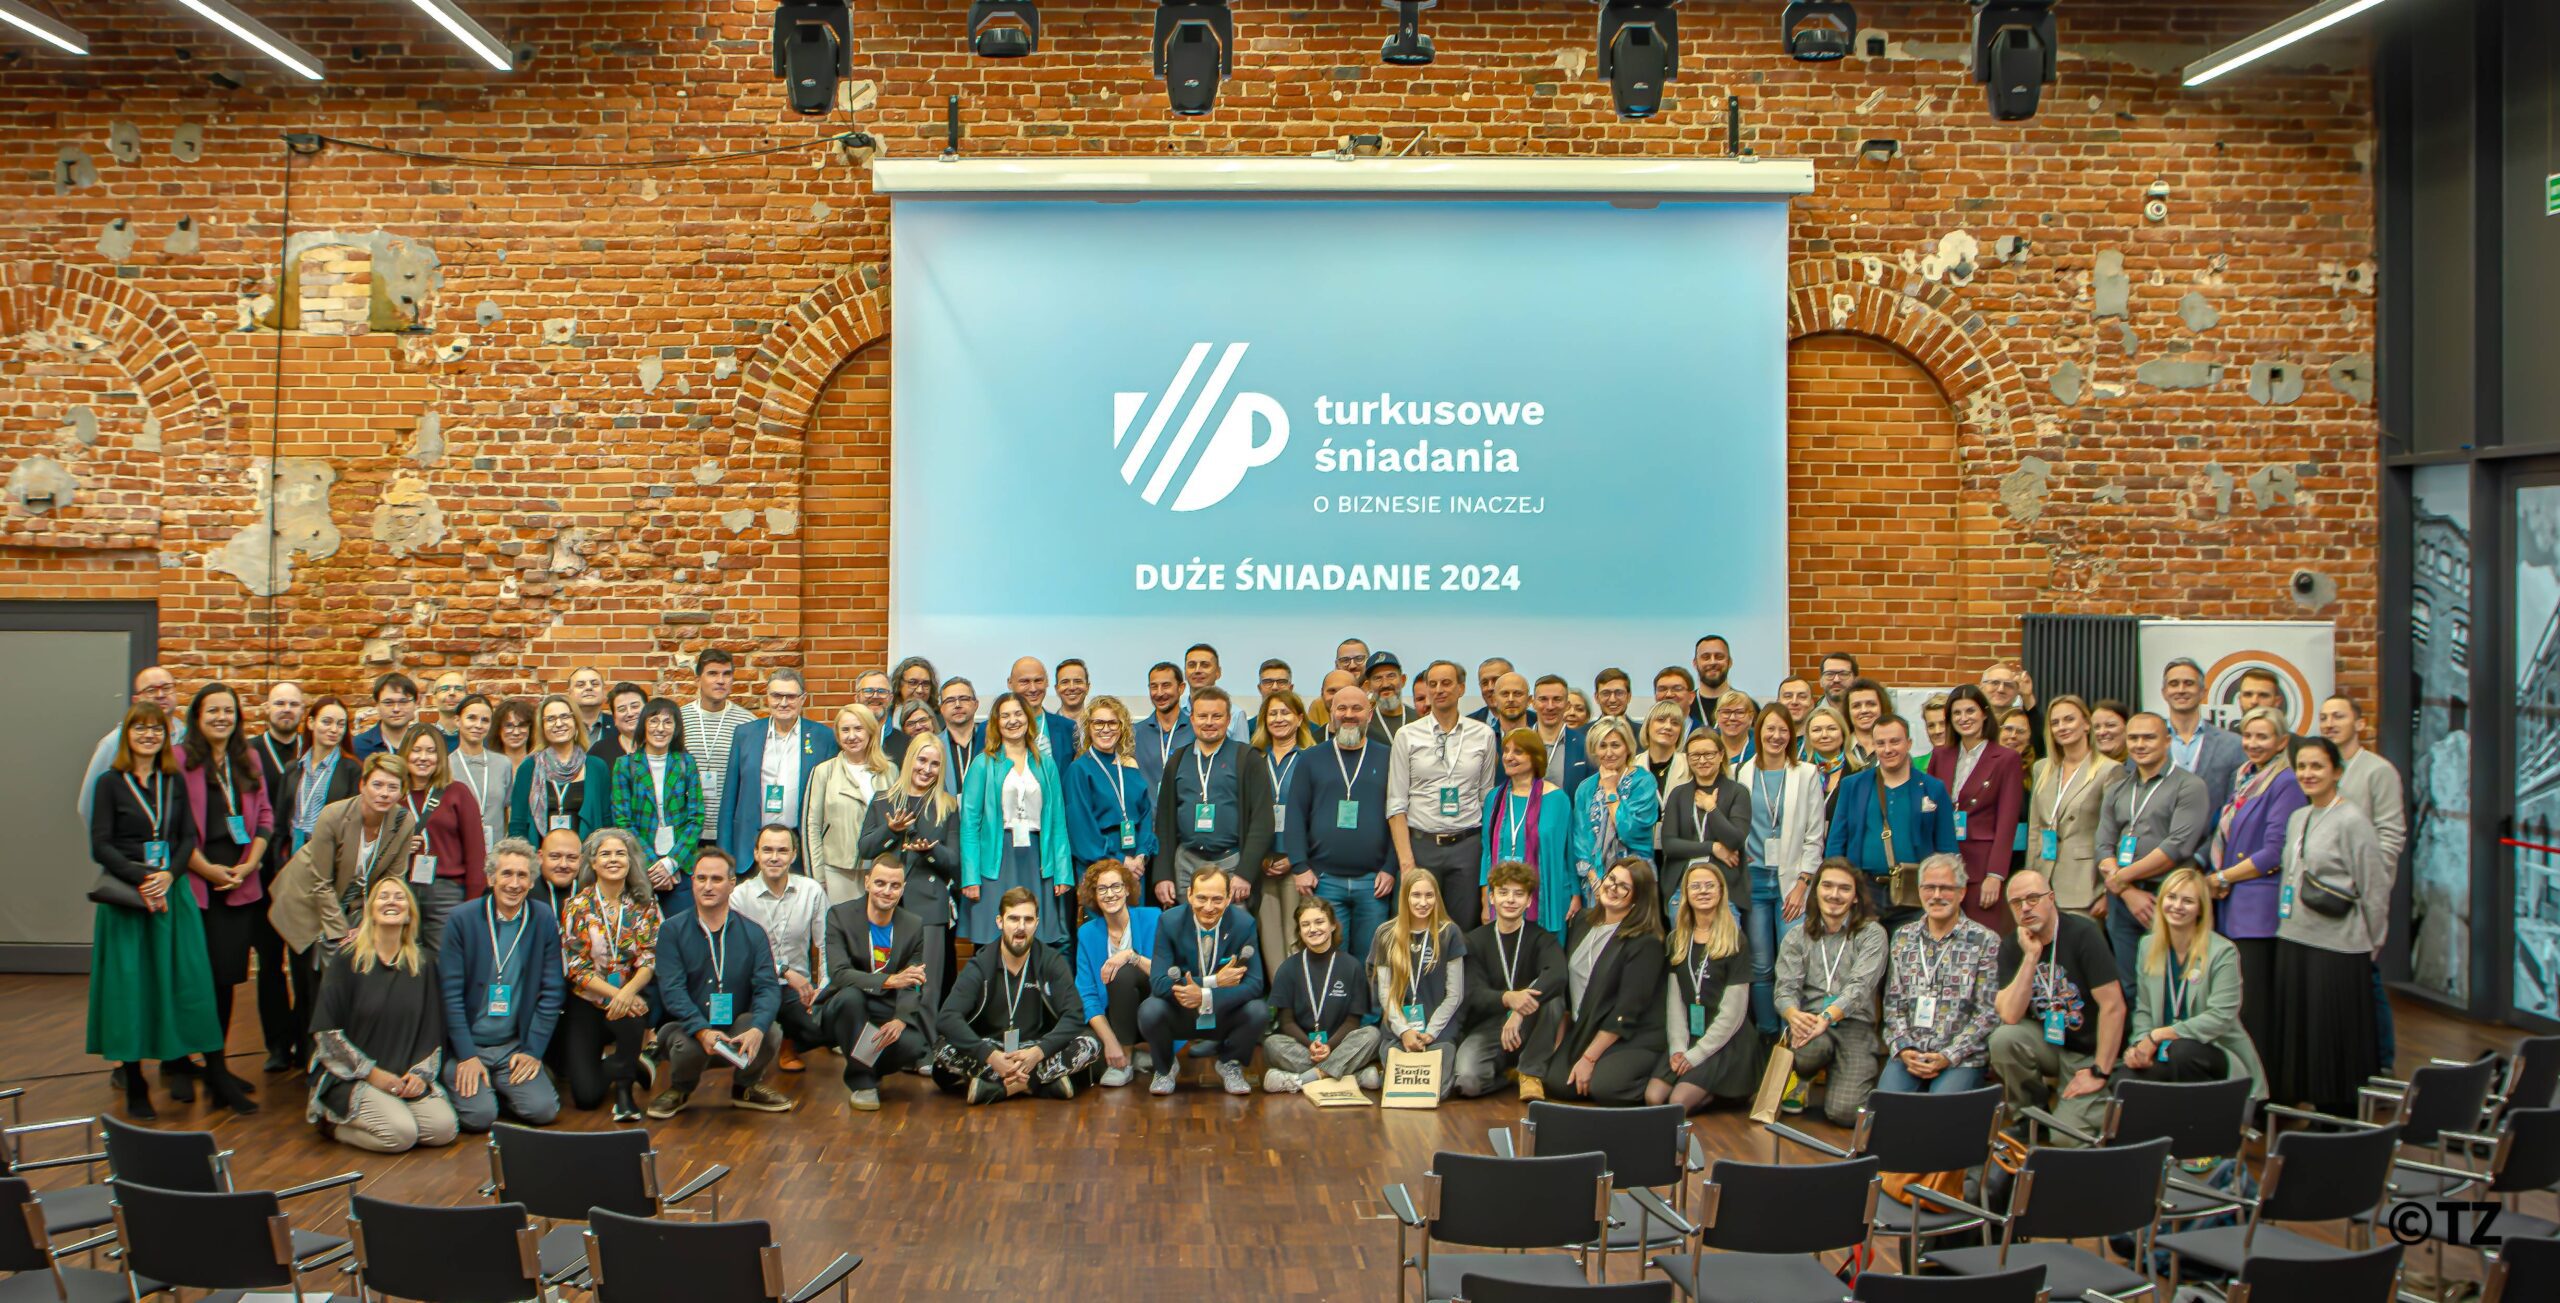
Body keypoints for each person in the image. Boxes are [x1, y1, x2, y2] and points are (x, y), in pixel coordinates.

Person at [88, 703, 239, 1119]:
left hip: (171, 895)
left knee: (182, 981)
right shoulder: (109, 783)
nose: (149, 735)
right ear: (127, 735)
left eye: (156, 729)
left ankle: (179, 1062)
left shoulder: (172, 781)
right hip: (128, 898)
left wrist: (169, 876)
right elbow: (100, 845)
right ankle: (134, 1079)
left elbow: (187, 837)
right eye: (141, 728)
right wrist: (143, 877)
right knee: (130, 989)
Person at [2266, 737, 2394, 1116]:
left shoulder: (2353, 820)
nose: (2308, 774)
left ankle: (2338, 1117)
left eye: (2317, 766)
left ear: (2337, 772)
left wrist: (2373, 940)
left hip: (2338, 946)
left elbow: (2374, 887)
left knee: (2333, 1036)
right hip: (2294, 938)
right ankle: (2313, 1109)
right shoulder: (2299, 817)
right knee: (2304, 1035)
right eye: (2302, 766)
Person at [174, 682, 275, 1099]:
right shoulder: (179, 759)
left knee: (226, 977)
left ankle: (218, 1066)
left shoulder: (247, 757)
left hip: (239, 880)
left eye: (228, 711)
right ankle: (182, 1062)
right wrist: (207, 870)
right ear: (197, 717)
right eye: (213, 710)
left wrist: (250, 865)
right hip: (196, 880)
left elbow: (265, 815)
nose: (221, 717)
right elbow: (172, 826)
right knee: (191, 978)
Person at [307, 877, 458, 1152]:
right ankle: (333, 1125)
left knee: (443, 1129)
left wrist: (420, 1075)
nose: (391, 902)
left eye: (399, 897)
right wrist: (372, 1074)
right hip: (353, 1076)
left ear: (410, 913)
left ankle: (392, 1111)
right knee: (401, 1135)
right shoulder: (346, 960)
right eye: (383, 896)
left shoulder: (423, 964)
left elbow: (433, 1030)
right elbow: (327, 1034)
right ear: (370, 909)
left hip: (403, 1076)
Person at [646, 849, 793, 1117]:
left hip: (736, 1028)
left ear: (731, 884)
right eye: (701, 878)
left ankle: (745, 1087)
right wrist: (702, 1030)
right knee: (685, 1045)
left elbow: (768, 987)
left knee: (770, 1032)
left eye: (716, 879)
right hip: (688, 1030)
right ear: (692, 882)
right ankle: (680, 1088)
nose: (708, 886)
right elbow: (672, 990)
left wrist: (757, 1028)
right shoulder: (671, 930)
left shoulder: (753, 932)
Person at [1987, 865, 2124, 1142]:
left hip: (2089, 1052)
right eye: (2016, 903)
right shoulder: (2013, 945)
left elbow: (2114, 1007)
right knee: (2003, 1039)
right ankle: (2029, 1118)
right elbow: (2010, 1015)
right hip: (2050, 1043)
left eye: (2032, 898)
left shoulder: (2083, 933)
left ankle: (2094, 1105)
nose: (2026, 908)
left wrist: (2100, 1071)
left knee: (2065, 1139)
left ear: (2051, 898)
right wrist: (2030, 957)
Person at [439, 839, 566, 1131]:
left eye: (522, 875)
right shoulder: (462, 919)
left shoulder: (542, 918)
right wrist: (467, 1055)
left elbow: (552, 991)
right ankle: (466, 1084)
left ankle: (499, 1088)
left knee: (544, 1111)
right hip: (468, 1046)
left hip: (512, 1046)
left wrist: (533, 1051)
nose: (514, 883)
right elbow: (450, 995)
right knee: (479, 1118)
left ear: (532, 881)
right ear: (491, 878)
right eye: (506, 873)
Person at [932, 887, 1099, 1105]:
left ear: (1036, 923)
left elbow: (1074, 1015)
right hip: (993, 1049)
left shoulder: (1051, 961)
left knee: (1090, 1043)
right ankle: (1039, 1084)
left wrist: (1038, 1052)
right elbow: (947, 1017)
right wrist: (990, 1056)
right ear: (1000, 922)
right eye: (1013, 919)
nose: (1021, 927)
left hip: (1038, 1048)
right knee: (942, 1047)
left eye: (1028, 920)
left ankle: (1002, 1088)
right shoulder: (980, 964)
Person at [2204, 707, 2307, 1052]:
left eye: (2262, 736)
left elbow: (2274, 852)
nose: (2252, 743)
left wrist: (2221, 876)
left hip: (2257, 910)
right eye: (2247, 735)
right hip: (2231, 904)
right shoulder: (2245, 776)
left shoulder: (2285, 782)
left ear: (2282, 742)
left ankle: (2258, 1079)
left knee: (2254, 1006)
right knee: (2232, 1001)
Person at [2094, 712, 2213, 996]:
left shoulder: (2189, 786)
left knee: (2170, 983)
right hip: (2123, 901)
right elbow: (2103, 846)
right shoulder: (2117, 788)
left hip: (2168, 897)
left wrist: (2120, 878)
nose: (2140, 744)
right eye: (2133, 738)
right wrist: (2126, 890)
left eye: (2149, 737)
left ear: (2167, 741)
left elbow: (2178, 846)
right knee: (2129, 985)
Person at [2318, 694, 2407, 1072]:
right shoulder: (2319, 768)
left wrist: (2374, 884)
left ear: (2360, 723)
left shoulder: (2377, 771)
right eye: (2324, 717)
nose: (2329, 723)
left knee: (2365, 975)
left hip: (2361, 891)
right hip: (2322, 894)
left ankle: (2383, 1063)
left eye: (2338, 716)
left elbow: (2390, 834)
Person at [1279, 683, 1398, 960]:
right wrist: (1299, 866)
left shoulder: (1389, 757)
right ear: (1331, 714)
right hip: (1323, 880)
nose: (1349, 714)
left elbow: (1399, 816)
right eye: (1341, 708)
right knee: (1328, 958)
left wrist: (1390, 867)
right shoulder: (1310, 758)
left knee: (1372, 960)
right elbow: (1295, 815)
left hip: (1374, 882)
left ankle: (1368, 994)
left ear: (1370, 714)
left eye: (1357, 708)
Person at [2122, 867, 2265, 1095]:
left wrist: (2160, 1035)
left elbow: (2220, 1017)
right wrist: (2140, 1045)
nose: (2177, 906)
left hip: (2212, 1051)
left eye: (2187, 901)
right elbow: (2144, 1010)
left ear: (2201, 909)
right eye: (2171, 897)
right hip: (2163, 1050)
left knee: (2182, 1052)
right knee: (2126, 1078)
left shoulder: (2222, 951)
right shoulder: (2147, 946)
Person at [1539, 858, 1666, 1105]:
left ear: (1638, 898)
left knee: (1605, 1088)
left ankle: (1659, 1077)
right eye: (1611, 879)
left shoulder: (1646, 942)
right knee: (1556, 1083)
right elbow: (1569, 993)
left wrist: (1589, 1059)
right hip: (1586, 1028)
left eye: (1624, 887)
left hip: (1630, 1034)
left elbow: (1627, 1010)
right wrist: (1560, 1045)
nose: (1613, 888)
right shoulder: (1582, 920)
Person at [557, 827, 662, 1121]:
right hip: (587, 1001)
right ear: (592, 862)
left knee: (634, 1013)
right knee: (586, 1097)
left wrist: (628, 993)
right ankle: (631, 1064)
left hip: (628, 998)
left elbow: (649, 958)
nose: (613, 859)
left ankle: (625, 1095)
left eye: (620, 854)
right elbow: (576, 967)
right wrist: (618, 994)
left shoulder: (645, 905)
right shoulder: (577, 906)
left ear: (630, 861)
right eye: (605, 854)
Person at [1877, 854, 2002, 1095]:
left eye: (1945, 888)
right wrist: (1904, 1048)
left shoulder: (1985, 941)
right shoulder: (1903, 937)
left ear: (1962, 893)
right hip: (1911, 1053)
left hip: (1961, 1057)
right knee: (1887, 1106)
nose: (1936, 895)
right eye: (1929, 887)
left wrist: (1948, 1055)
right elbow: (1893, 1003)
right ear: (1919, 891)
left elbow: (1988, 1014)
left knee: (1941, 1111)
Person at [1739, 705, 1830, 1036]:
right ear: (1758, 732)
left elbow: (1814, 835)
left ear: (1792, 735)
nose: (1776, 736)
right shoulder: (1741, 773)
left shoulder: (1806, 773)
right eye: (1770, 729)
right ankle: (1768, 1035)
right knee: (1761, 965)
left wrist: (1803, 883)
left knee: (1793, 965)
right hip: (1754, 882)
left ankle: (1793, 1035)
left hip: (1793, 883)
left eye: (1783, 730)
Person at [1774, 860, 1888, 1123]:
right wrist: (1793, 1015)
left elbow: (1860, 987)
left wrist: (1827, 1017)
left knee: (1845, 1114)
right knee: (1811, 1050)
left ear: (1856, 897)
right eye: (1827, 886)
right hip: (1809, 1022)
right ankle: (1803, 1077)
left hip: (1855, 1024)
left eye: (1844, 888)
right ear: (1815, 891)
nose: (1834, 894)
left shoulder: (1872, 934)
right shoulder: (1796, 936)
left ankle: (1840, 1072)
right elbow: (1784, 989)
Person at [816, 856, 934, 1110]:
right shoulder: (840, 915)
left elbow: (912, 981)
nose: (887, 891)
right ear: (867, 882)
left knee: (913, 1045)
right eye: (880, 883)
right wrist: (889, 980)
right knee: (851, 997)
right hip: (845, 1005)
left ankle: (868, 1065)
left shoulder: (913, 924)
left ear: (903, 888)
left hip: (885, 1007)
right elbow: (839, 974)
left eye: (895, 885)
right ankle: (862, 1082)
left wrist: (901, 1018)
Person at [1140, 864, 1268, 1096]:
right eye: (1201, 898)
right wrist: (1213, 981)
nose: (1209, 907)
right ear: (1189, 894)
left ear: (1228, 898)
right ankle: (1165, 1067)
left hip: (1222, 1012)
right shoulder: (1169, 922)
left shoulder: (1243, 924)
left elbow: (1255, 984)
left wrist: (1205, 994)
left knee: (1258, 1011)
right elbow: (1158, 982)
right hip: (1181, 1011)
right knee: (1150, 1010)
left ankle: (1229, 1063)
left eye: (1217, 899)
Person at [961, 692, 1075, 946]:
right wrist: (970, 876)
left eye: (1018, 714)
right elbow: (969, 825)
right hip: (996, 860)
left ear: (1028, 718)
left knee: (1038, 939)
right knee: (994, 938)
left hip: (1038, 858)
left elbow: (1058, 822)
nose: (1012, 720)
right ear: (996, 722)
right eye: (1005, 716)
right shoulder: (983, 764)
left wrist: (1063, 872)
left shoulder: (1046, 764)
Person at [857, 735, 962, 1007]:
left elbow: (953, 861)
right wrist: (890, 830)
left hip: (929, 906)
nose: (927, 769)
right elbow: (865, 848)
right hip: (885, 906)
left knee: (927, 986)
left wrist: (929, 852)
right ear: (909, 760)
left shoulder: (948, 806)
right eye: (922, 760)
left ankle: (924, 1033)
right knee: (884, 979)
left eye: (935, 764)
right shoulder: (882, 800)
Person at [1149, 687, 1273, 911]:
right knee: (1188, 928)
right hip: (1186, 863)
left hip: (1231, 863)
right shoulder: (1178, 759)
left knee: (1231, 929)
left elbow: (1262, 821)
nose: (1209, 722)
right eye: (1202, 716)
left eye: (1216, 716)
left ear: (1228, 720)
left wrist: (1246, 873)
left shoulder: (1247, 758)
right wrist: (1163, 875)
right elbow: (1164, 822)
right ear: (1192, 719)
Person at [1824, 716, 1956, 925]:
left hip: (1915, 892)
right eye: (1881, 743)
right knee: (1868, 946)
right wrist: (1837, 886)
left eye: (1895, 742)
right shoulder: (1853, 785)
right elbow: (1836, 842)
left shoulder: (1933, 788)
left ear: (1909, 743)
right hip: (1864, 890)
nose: (1888, 749)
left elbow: (1947, 848)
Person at [1647, 861, 1756, 1113]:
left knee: (1677, 1102)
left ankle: (1725, 1090)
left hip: (1727, 1039)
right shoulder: (1677, 940)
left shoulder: (1735, 940)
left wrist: (1696, 1055)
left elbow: (1734, 1013)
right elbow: (1674, 1002)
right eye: (1695, 886)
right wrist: (1678, 1048)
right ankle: (1706, 1088)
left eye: (1710, 885)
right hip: (1691, 1034)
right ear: (1686, 893)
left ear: (1721, 891)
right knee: (1653, 1097)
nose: (1703, 891)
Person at [1455, 860, 1567, 1098]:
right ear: (1492, 897)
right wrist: (1507, 998)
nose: (1510, 900)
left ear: (1529, 901)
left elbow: (1557, 975)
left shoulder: (1542, 938)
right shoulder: (1474, 940)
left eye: (1518, 894)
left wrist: (1518, 1011)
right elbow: (1473, 993)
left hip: (1530, 1024)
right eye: (1503, 892)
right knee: (1467, 1082)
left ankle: (1530, 1072)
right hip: (1489, 1028)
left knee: (1554, 1000)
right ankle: (1509, 1076)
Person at [732, 825, 833, 1072]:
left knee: (827, 1027)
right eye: (767, 850)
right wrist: (784, 971)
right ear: (756, 854)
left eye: (782, 850)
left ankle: (790, 1043)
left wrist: (823, 989)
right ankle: (766, 1043)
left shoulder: (811, 891)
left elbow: (827, 943)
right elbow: (739, 955)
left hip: (799, 991)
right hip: (753, 985)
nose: (774, 857)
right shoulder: (739, 896)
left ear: (794, 855)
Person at [716, 669, 837, 873]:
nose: (783, 703)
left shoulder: (823, 737)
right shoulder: (745, 734)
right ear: (767, 697)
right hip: (750, 850)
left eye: (790, 696)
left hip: (800, 848)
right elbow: (729, 798)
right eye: (777, 696)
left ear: (803, 699)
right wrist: (724, 857)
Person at [250, 682, 313, 1071]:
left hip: (304, 874)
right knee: (269, 962)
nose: (286, 709)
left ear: (303, 710)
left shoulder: (313, 750)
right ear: (266, 708)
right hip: (264, 873)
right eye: (279, 703)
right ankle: (276, 1043)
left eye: (293, 704)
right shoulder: (250, 752)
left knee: (304, 962)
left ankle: (305, 1041)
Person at [1926, 685, 2024, 933]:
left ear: (1984, 713)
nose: (1964, 718)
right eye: (1957, 713)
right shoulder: (1940, 755)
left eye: (1970, 711)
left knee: (1981, 938)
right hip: (1944, 863)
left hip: (1981, 866)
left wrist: (1995, 874)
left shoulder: (2006, 758)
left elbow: (2007, 821)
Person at [1263, 897, 1381, 1094]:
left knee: (1372, 1035)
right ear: (1299, 930)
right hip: (1305, 1048)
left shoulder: (1351, 966)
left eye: (1319, 922)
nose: (1313, 929)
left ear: (1333, 925)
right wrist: (1311, 1045)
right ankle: (1354, 1077)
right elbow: (1286, 1022)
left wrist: (1329, 1046)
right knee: (1272, 1044)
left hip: (1340, 1046)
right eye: (1305, 924)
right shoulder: (1287, 968)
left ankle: (1303, 1079)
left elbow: (1353, 1021)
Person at [1065, 695, 1159, 939]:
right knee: (1106, 935)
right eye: (1098, 723)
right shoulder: (1079, 769)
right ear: (1088, 727)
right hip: (1100, 863)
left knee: (1135, 933)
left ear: (1122, 726)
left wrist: (1141, 855)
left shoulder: (1129, 766)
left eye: (1112, 723)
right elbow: (1081, 831)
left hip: (1136, 864)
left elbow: (1145, 814)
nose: (1105, 729)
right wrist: (1121, 861)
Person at [1371, 869, 1469, 1099]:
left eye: (1429, 895)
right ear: (1405, 896)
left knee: (1436, 1092)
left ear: (1437, 898)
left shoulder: (1449, 933)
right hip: (1398, 1032)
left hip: (1439, 1032)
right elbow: (1384, 992)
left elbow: (1455, 994)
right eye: (1416, 895)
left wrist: (1431, 1032)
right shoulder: (1385, 933)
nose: (1423, 903)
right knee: (1398, 1090)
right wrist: (1405, 1030)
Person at [395, 724, 488, 959]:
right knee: (405, 959)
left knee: (445, 959)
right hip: (402, 887)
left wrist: (473, 903)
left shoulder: (457, 792)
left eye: (431, 751)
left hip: (447, 891)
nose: (423, 757)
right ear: (405, 753)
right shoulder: (394, 794)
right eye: (416, 750)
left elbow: (476, 854)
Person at [608, 698, 702, 913]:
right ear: (644, 725)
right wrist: (653, 866)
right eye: (654, 721)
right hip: (640, 866)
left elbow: (696, 818)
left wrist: (670, 863)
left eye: (668, 722)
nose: (660, 728)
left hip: (680, 866)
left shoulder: (686, 763)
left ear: (676, 728)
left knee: (680, 926)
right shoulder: (625, 765)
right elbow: (623, 821)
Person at [1074, 860, 1162, 1088]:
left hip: (1153, 1009)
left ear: (1127, 889)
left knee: (1123, 973)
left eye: (1116, 886)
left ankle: (1128, 1060)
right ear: (1094, 895)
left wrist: (1131, 956)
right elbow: (1087, 994)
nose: (1110, 894)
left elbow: (1166, 975)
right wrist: (1110, 1040)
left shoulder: (1152, 918)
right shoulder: (1087, 933)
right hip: (1114, 1018)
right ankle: (1129, 1056)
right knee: (1086, 1051)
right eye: (1102, 889)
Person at [1480, 728, 1576, 935]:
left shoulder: (1557, 800)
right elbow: (1487, 852)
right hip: (1503, 897)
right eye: (1506, 750)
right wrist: (1485, 899)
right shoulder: (1494, 798)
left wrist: (1575, 895)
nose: (1509, 757)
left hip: (1547, 895)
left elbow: (1568, 853)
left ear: (1535, 757)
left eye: (1518, 751)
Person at [2025, 695, 2113, 916]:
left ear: (2086, 724)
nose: (2062, 727)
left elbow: (2113, 833)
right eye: (2055, 723)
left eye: (2069, 719)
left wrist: (2108, 891)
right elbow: (2035, 829)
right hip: (2044, 877)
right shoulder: (2042, 768)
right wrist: (2030, 877)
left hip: (2085, 883)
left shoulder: (2108, 770)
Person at [803, 702, 892, 906]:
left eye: (858, 729)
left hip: (879, 869)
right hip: (836, 870)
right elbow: (812, 826)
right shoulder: (823, 772)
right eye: (845, 730)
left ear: (870, 731)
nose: (852, 736)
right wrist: (817, 876)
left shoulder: (890, 771)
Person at [1570, 717, 1659, 915]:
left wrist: (1611, 791)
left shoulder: (1643, 781)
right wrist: (1595, 881)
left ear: (1628, 747)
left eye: (1615, 745)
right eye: (1602, 746)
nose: (1609, 753)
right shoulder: (1586, 788)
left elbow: (1631, 832)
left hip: (1636, 878)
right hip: (1596, 883)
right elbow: (1580, 841)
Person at [1659, 731, 1750, 919]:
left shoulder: (1737, 792)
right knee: (1684, 939)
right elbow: (1669, 844)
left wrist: (1711, 808)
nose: (1702, 760)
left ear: (1721, 755)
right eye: (1695, 755)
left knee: (1724, 939)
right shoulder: (1678, 794)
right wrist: (1712, 847)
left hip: (1725, 889)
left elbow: (1735, 839)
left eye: (1708, 754)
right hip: (1682, 888)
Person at [1252, 689, 1315, 960]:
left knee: (1295, 934)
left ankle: (1296, 986)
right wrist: (1258, 856)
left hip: (1296, 862)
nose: (1278, 719)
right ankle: (1279, 988)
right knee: (1269, 937)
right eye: (1272, 714)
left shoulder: (1311, 759)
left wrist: (1296, 858)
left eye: (1285, 713)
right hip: (1263, 862)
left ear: (1299, 718)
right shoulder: (1254, 759)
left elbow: (1317, 814)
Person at [78, 666, 184, 825]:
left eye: (166, 688)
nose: (160, 695)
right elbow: (89, 805)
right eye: (151, 690)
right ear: (136, 700)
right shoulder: (114, 743)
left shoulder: (187, 738)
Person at [506, 695, 609, 842]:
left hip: (586, 853)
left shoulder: (597, 768)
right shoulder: (528, 767)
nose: (559, 723)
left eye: (565, 716)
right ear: (542, 727)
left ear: (576, 722)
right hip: (538, 854)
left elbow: (606, 823)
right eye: (550, 719)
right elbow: (517, 826)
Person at [2161, 658, 2247, 815]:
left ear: (2202, 692)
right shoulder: (2144, 742)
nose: (2181, 690)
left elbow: (2235, 805)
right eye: (2174, 684)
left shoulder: (2233, 745)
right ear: (2164, 693)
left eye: (2189, 683)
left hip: (2212, 831)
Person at [681, 648, 745, 832]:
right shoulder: (679, 719)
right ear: (697, 679)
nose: (721, 680)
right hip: (686, 828)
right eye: (713, 674)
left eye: (727, 674)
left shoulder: (746, 722)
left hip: (729, 827)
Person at [447, 694, 513, 861]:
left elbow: (508, 812)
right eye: (472, 718)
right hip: (458, 854)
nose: (478, 725)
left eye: (485, 720)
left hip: (496, 856)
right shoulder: (445, 765)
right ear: (457, 721)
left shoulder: (503, 763)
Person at [979, 657, 1077, 761]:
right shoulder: (988, 729)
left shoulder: (1067, 728)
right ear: (1010, 683)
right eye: (1024, 682)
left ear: (1047, 682)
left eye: (1038, 681)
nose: (1033, 689)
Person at [1130, 663, 1191, 792]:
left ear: (1181, 688)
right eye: (1154, 686)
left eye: (1166, 685)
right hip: (1149, 805)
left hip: (1186, 805)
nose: (1159, 693)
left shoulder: (1195, 731)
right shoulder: (1135, 733)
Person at [1530, 675, 1594, 794]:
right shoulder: (1517, 743)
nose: (1550, 706)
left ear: (1567, 705)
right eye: (1543, 699)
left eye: (1557, 699)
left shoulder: (1585, 745)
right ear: (1533, 703)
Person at [1800, 704, 1861, 819]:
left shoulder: (1859, 774)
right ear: (1808, 736)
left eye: (1832, 729)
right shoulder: (1799, 773)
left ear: (1843, 733)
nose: (1824, 735)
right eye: (1817, 730)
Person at [1636, 701, 1693, 809]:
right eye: (1661, 720)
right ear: (1647, 726)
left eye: (1675, 723)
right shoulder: (1632, 766)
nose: (1668, 726)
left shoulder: (1690, 765)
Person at [351, 673, 419, 760]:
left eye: (403, 702)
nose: (396, 709)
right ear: (377, 705)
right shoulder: (358, 746)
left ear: (415, 704)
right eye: (388, 702)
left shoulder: (424, 744)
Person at [936, 677, 982, 796]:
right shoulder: (933, 746)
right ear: (941, 708)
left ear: (976, 704)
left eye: (964, 699)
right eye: (950, 700)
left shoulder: (991, 741)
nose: (957, 705)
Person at [588, 682, 649, 766]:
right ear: (614, 718)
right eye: (622, 709)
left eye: (635, 706)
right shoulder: (600, 751)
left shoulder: (662, 745)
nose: (630, 713)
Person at [1690, 635, 1735, 733]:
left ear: (1730, 662)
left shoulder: (1746, 706)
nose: (1712, 662)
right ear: (1695, 663)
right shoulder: (1686, 707)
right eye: (1706, 657)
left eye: (1719, 657)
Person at [1365, 652, 1412, 740]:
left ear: (1403, 680)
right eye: (1378, 678)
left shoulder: (1419, 719)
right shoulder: (1364, 725)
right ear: (1368, 686)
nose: (1385, 684)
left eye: (1391, 676)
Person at [1844, 679, 1890, 767]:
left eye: (1871, 704)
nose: (1864, 710)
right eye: (1856, 706)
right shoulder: (1839, 748)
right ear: (1848, 711)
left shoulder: (1896, 747)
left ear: (1882, 707)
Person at [1710, 689, 1758, 773]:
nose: (1732, 718)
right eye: (1726, 712)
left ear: (1751, 717)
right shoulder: (1705, 744)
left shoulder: (1761, 747)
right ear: (1717, 716)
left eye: (1739, 712)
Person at [1474, 670, 1534, 736]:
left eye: (1517, 694)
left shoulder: (1540, 736)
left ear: (1529, 700)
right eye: (1505, 694)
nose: (1511, 699)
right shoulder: (1486, 738)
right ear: (1495, 699)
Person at [1650, 668, 1698, 737]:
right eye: (1662, 689)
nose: (1669, 694)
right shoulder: (1642, 735)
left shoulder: (1706, 735)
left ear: (1691, 697)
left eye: (1677, 689)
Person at [493, 698, 538, 769]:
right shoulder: (488, 767)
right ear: (498, 729)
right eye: (509, 726)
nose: (516, 732)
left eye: (522, 725)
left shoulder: (540, 765)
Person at [565, 667, 608, 740]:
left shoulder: (618, 726)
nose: (589, 687)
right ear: (569, 693)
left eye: (595, 684)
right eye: (580, 685)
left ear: (604, 691)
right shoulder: (561, 727)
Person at [427, 671, 469, 743]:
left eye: (459, 689)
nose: (452, 693)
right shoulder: (425, 738)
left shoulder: (481, 738)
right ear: (434, 699)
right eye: (444, 689)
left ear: (467, 697)